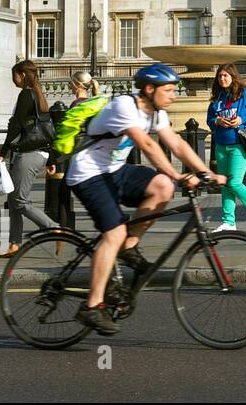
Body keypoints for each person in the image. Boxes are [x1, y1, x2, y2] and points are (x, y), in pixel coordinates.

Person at [66, 63, 224, 335]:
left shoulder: (155, 113)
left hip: (115, 170)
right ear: (150, 89)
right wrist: (177, 174)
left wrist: (205, 172)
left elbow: (176, 144)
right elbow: (147, 145)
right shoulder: (124, 106)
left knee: (162, 187)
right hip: (87, 174)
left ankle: (129, 247)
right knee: (112, 234)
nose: (175, 94)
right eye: (170, 89)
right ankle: (92, 307)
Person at [0, 60, 60, 257]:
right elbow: (48, 131)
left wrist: (2, 152)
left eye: (14, 76)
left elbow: (16, 127)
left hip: (28, 154)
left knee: (20, 201)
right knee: (13, 201)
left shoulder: (26, 95)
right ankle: (14, 245)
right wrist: (51, 160)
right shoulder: (38, 94)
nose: (13, 80)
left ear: (22, 74)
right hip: (38, 153)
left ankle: (54, 228)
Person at [206, 63, 246, 238]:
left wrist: (242, 119)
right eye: (219, 76)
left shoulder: (245, 93)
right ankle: (228, 222)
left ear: (233, 76)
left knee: (234, 182)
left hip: (239, 144)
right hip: (220, 144)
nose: (222, 78)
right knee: (225, 184)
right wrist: (216, 121)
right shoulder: (218, 97)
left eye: (225, 75)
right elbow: (209, 119)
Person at [43, 69, 102, 231]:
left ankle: (62, 228)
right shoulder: (94, 102)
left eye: (71, 82)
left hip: (77, 156)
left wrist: (54, 159)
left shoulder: (77, 105)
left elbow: (66, 134)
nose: (69, 85)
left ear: (77, 85)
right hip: (94, 155)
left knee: (63, 192)